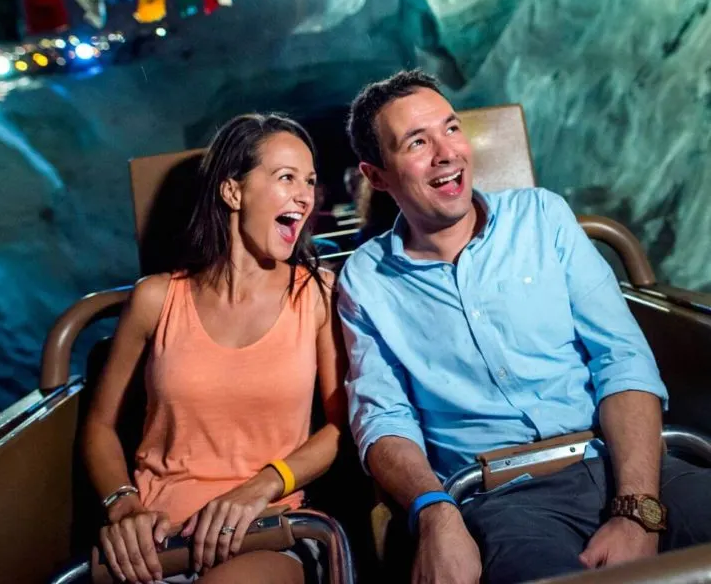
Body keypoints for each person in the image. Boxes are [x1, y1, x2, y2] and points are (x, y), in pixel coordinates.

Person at [337, 69, 711, 584]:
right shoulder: (366, 279)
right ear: (376, 175)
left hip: (622, 461)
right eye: (417, 142)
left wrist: (637, 509)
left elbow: (620, 359)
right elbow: (384, 421)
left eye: (450, 129)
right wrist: (436, 513)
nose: (446, 153)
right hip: (502, 500)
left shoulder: (542, 217)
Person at [83, 114, 346, 584]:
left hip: (264, 531)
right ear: (233, 192)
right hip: (155, 541)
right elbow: (100, 425)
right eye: (286, 177)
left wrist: (260, 487)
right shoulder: (156, 299)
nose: (305, 195)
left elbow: (338, 429)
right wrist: (122, 506)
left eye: (309, 180)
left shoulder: (316, 294)